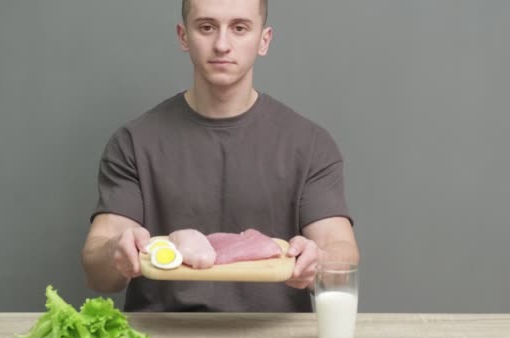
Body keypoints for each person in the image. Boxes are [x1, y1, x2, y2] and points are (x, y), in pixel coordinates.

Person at [82, 0, 359, 312]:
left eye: (239, 28)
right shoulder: (133, 142)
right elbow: (98, 273)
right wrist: (117, 253)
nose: (222, 44)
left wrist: (319, 261)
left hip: (273, 333)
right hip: (163, 333)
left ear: (263, 40)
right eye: (206, 27)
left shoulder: (310, 144)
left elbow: (341, 251)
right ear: (183, 36)